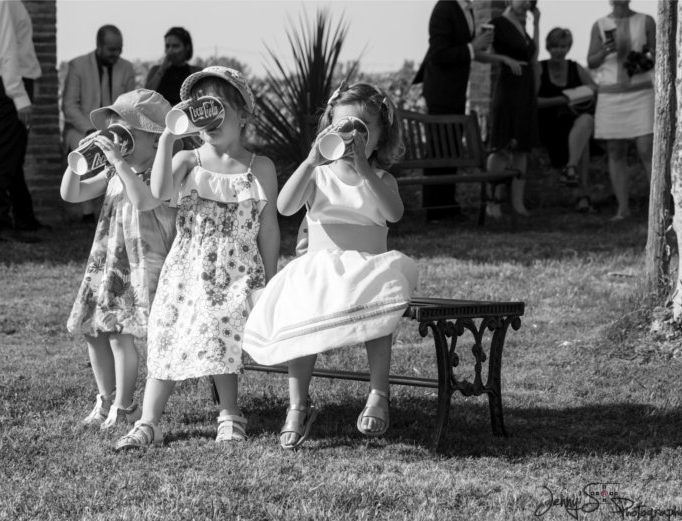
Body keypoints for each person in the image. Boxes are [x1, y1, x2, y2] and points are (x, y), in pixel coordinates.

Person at [243, 82, 419, 450]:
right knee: (302, 308)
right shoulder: (319, 176)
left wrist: (363, 169)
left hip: (369, 268)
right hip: (321, 269)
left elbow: (394, 213)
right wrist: (310, 161)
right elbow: (285, 207)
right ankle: (297, 404)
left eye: (362, 130)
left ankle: (378, 394)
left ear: (379, 136)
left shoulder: (381, 179)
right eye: (342, 128)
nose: (351, 138)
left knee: (380, 304)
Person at [115, 67, 280, 450]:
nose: (209, 118)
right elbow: (156, 192)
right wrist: (170, 136)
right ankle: (149, 421)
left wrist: (269, 281)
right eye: (200, 108)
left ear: (242, 115)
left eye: (218, 107)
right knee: (166, 328)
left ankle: (230, 413)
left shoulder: (261, 168)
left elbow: (269, 227)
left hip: (237, 274)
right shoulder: (188, 160)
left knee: (218, 325)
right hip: (187, 268)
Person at [61, 89, 177, 430]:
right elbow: (72, 193)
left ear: (155, 139)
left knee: (118, 333)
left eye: (127, 134)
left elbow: (144, 201)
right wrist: (77, 160)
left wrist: (118, 162)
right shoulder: (115, 173)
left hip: (140, 266)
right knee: (94, 331)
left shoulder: (161, 175)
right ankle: (106, 397)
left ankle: (125, 405)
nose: (117, 141)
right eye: (113, 132)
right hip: (106, 262)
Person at [0, 0, 45, 242]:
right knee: (5, 158)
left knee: (13, 156)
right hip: (10, 84)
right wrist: (19, 94)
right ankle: (0, 225)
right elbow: (7, 46)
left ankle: (24, 219)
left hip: (4, 83)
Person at [414, 0, 494, 221]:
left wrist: (478, 47)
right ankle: (435, 210)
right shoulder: (445, 8)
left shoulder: (465, 8)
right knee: (439, 149)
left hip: (456, 91)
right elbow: (439, 53)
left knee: (451, 149)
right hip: (440, 92)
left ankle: (448, 206)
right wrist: (472, 47)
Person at [62, 25, 138, 223]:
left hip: (117, 129)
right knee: (84, 149)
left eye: (119, 49)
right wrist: (90, 130)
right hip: (82, 128)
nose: (117, 54)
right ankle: (87, 212)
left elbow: (130, 105)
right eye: (112, 49)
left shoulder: (127, 67)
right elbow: (69, 106)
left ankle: (117, 204)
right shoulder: (78, 65)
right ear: (99, 45)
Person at [587, 0, 655, 221]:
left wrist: (644, 59)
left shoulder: (646, 20)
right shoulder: (600, 24)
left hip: (641, 91)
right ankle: (622, 208)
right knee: (615, 150)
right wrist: (606, 50)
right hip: (610, 95)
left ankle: (660, 207)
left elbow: (658, 54)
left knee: (647, 149)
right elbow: (591, 61)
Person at [482, 0, 541, 217]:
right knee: (501, 145)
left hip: (525, 88)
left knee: (522, 147)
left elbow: (533, 58)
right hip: (507, 88)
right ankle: (493, 201)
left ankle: (518, 203)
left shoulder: (524, 26)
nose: (527, 3)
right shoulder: (496, 23)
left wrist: (536, 24)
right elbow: (479, 53)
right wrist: (503, 59)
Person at [537, 27, 598, 213]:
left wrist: (578, 94)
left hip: (573, 120)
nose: (559, 50)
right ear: (548, 46)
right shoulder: (540, 67)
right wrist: (563, 99)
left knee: (586, 120)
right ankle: (583, 197)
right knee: (583, 143)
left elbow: (594, 87)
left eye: (563, 46)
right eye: (555, 46)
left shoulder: (574, 67)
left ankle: (570, 168)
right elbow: (533, 101)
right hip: (548, 123)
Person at [144, 27, 200, 107]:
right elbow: (145, 97)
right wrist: (161, 70)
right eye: (167, 46)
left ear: (187, 47)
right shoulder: (156, 70)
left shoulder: (195, 72)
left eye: (175, 46)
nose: (170, 51)